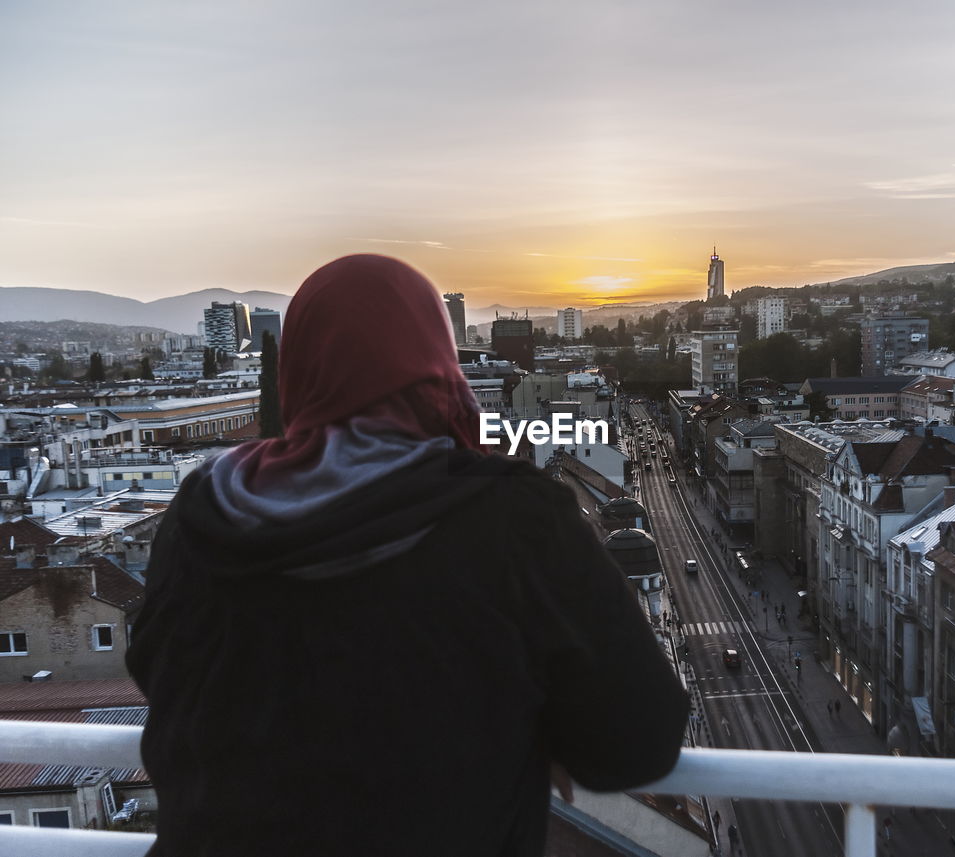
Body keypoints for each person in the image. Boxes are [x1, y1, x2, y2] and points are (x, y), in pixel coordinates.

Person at [126, 255, 689, 857]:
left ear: (298, 371)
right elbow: (640, 739)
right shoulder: (511, 518)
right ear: (437, 367)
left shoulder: (204, 512)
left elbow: (153, 666)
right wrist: (525, 730)